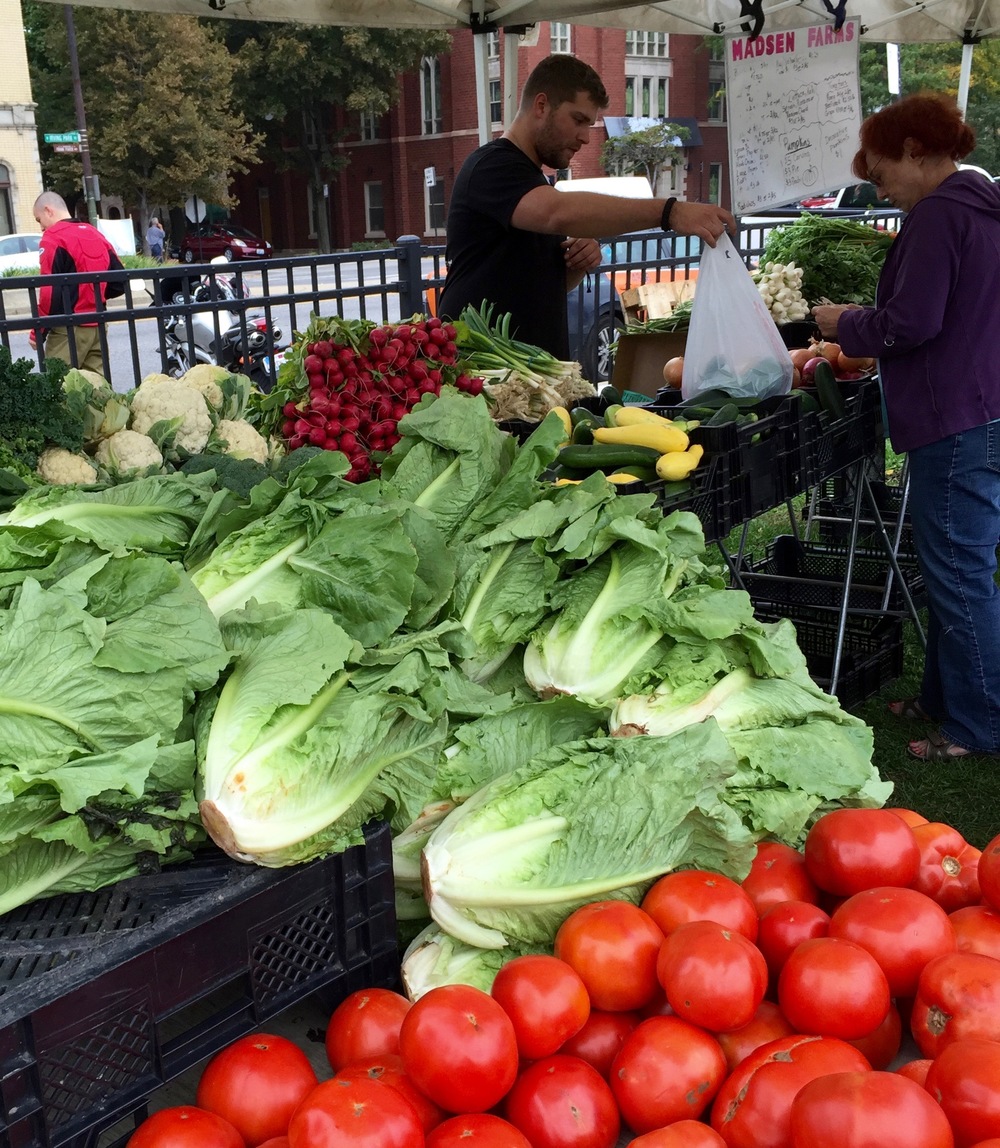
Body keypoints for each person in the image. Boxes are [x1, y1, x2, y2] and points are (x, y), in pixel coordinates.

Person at [812, 92, 1000, 763]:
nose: (884, 190)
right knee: (953, 564)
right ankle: (945, 699)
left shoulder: (939, 215)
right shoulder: (979, 204)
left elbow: (911, 322)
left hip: (954, 416)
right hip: (980, 407)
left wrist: (846, 323)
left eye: (884, 173)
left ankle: (978, 726)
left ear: (916, 150)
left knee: (960, 572)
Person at [438, 54, 734, 359]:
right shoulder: (492, 166)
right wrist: (671, 211)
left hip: (535, 378)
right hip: (483, 378)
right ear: (541, 106)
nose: (585, 138)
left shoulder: (534, 181)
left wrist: (578, 265)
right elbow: (557, 213)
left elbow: (538, 288)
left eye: (590, 125)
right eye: (578, 120)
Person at [29, 191, 125, 373]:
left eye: (39, 220)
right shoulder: (94, 233)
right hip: (98, 323)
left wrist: (38, 332)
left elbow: (49, 292)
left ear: (48, 210)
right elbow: (119, 281)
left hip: (69, 328)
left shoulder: (52, 238)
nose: (41, 227)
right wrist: (93, 296)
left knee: (58, 388)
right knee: (97, 390)